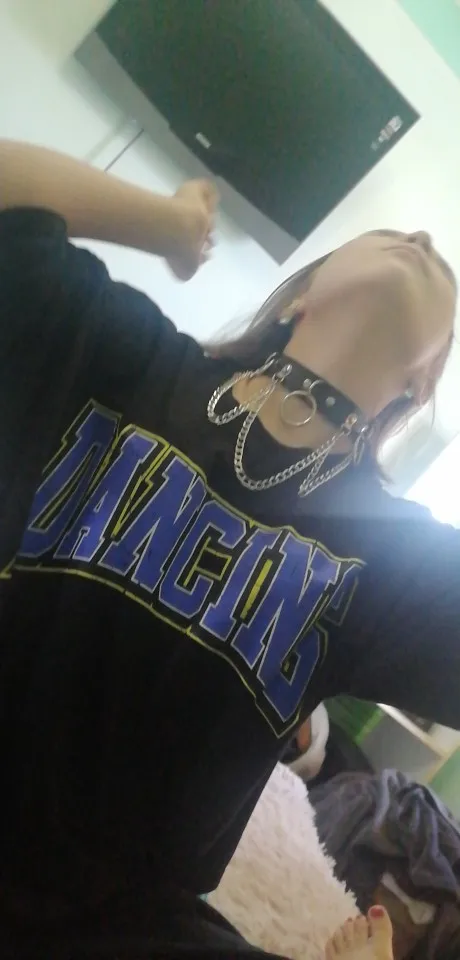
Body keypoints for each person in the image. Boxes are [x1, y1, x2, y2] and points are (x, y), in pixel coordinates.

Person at [0, 139, 458, 957]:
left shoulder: (397, 559)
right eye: (389, 236)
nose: (422, 240)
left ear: (421, 385)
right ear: (300, 295)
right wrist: (170, 223)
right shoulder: (133, 358)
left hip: (108, 918)